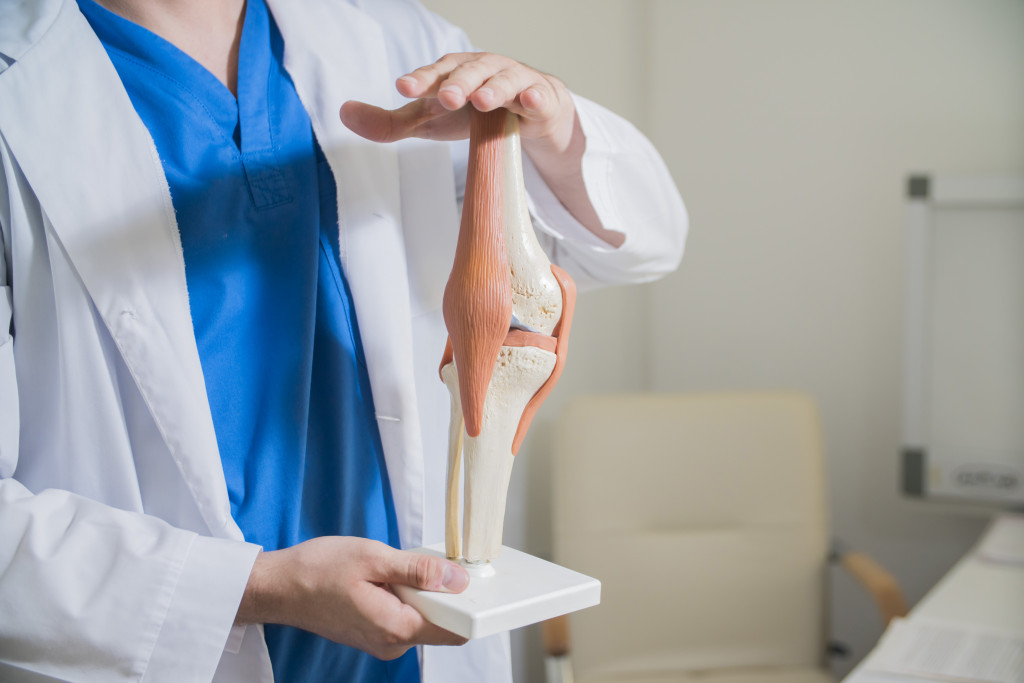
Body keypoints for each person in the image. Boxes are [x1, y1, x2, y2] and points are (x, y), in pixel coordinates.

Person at [0, 0, 687, 680]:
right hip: (174, 648)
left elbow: (627, 247)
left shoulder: (392, 41)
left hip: (417, 644)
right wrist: (254, 586)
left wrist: (551, 130)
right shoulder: (23, 82)